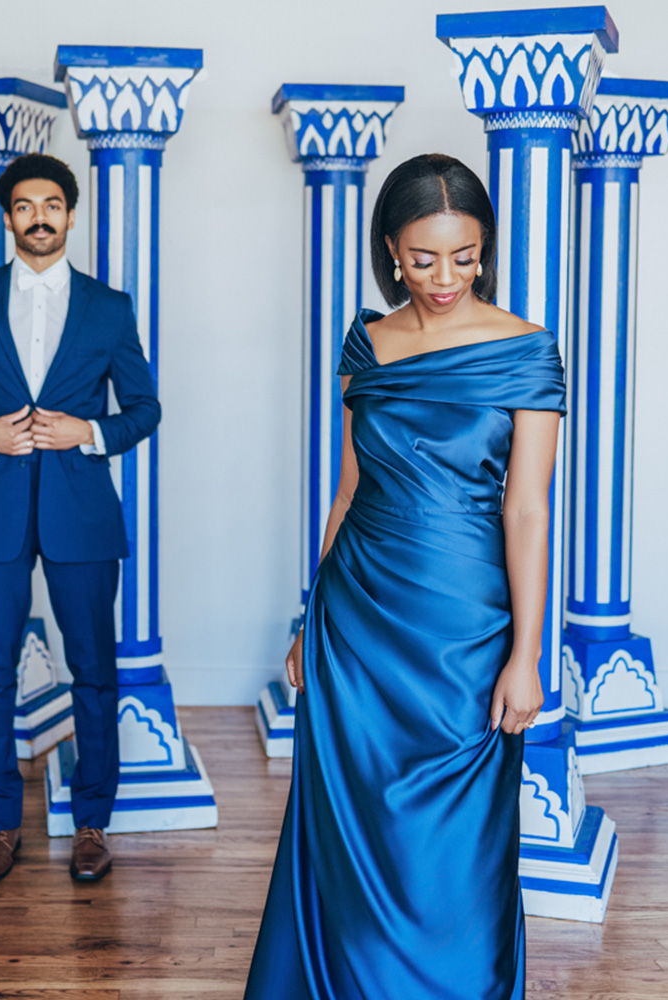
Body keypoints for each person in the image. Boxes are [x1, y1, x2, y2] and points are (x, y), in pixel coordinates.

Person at [244, 154, 566, 1000]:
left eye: (465, 257)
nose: (446, 277)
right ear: (391, 250)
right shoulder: (368, 346)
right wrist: (309, 617)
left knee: (456, 848)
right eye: (424, 259)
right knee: (355, 833)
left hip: (467, 628)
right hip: (357, 624)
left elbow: (526, 511)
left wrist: (527, 655)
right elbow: (349, 491)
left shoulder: (528, 351)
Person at [0, 153, 160, 883]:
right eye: (24, 206)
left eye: (52, 204)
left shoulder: (109, 307)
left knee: (94, 671)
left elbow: (144, 408)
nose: (40, 216)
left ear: (71, 214)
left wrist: (87, 433)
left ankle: (92, 824)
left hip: (81, 511)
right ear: (8, 216)